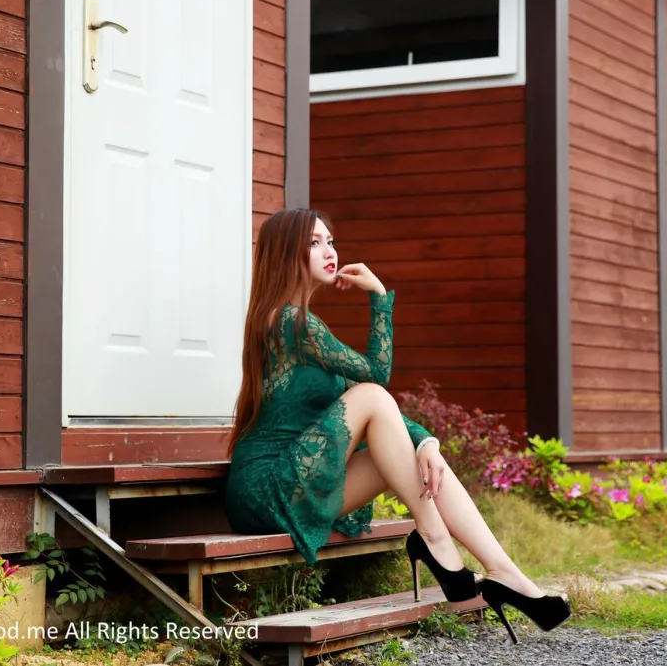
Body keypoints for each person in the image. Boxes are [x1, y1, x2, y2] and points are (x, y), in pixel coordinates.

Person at [224, 208, 570, 642]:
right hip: (264, 488)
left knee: (417, 454)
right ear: (284, 254)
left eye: (330, 241)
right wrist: (379, 297)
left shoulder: (302, 328)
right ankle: (434, 540)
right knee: (373, 399)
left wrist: (427, 442)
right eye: (314, 243)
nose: (329, 251)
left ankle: (506, 575)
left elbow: (377, 403)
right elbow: (375, 380)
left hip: (297, 480)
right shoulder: (290, 323)